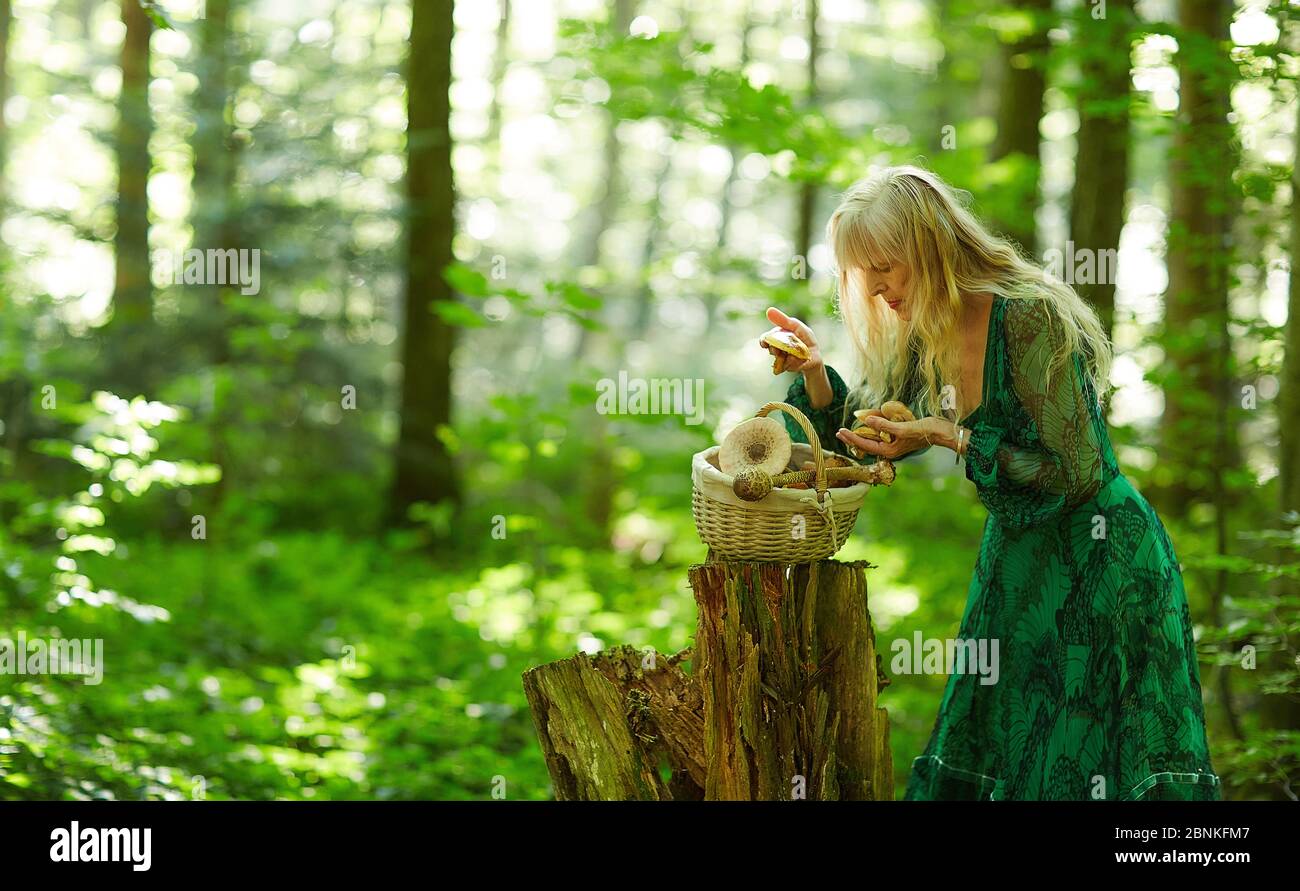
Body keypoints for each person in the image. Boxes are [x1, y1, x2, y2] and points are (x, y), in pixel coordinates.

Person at [760, 164, 1220, 800]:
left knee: (1087, 759)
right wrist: (815, 371)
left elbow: (1072, 471)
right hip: (1016, 565)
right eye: (867, 275)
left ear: (932, 243)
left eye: (889, 266)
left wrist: (949, 435)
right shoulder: (928, 330)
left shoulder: (1026, 317)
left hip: (1104, 559)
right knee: (998, 746)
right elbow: (851, 427)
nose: (880, 290)